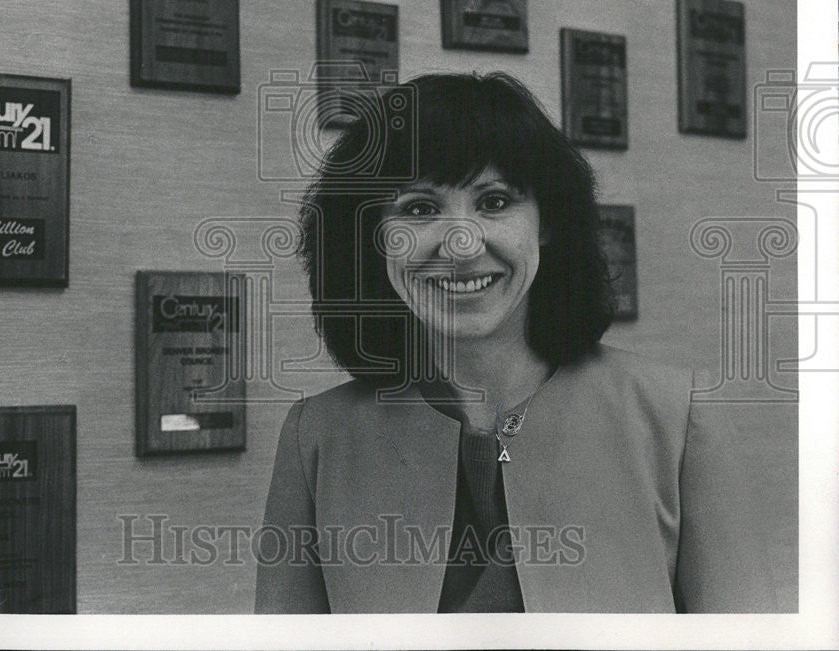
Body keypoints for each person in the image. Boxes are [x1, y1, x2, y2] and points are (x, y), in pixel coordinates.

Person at [254, 72, 775, 613]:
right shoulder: (314, 437)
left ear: (546, 223)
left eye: (495, 201)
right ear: (372, 236)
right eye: (418, 209)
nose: (460, 244)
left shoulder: (676, 417)